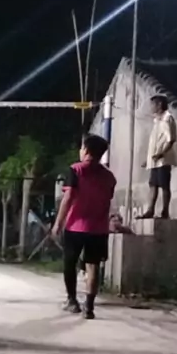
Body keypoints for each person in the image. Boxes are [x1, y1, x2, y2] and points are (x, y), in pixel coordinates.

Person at [53, 134, 116, 320]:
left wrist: (58, 222)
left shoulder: (76, 169)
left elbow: (68, 198)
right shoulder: (109, 177)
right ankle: (89, 307)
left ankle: (72, 301)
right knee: (93, 265)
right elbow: (107, 199)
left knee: (70, 263)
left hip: (75, 226)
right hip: (98, 228)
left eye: (82, 148)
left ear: (86, 150)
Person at [137, 95, 177, 219]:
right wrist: (148, 159)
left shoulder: (167, 119)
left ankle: (165, 211)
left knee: (164, 185)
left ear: (159, 105)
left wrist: (161, 154)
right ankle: (150, 210)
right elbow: (156, 141)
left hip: (163, 160)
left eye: (153, 105)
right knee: (153, 185)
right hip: (154, 160)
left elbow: (171, 139)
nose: (151, 108)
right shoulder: (157, 121)